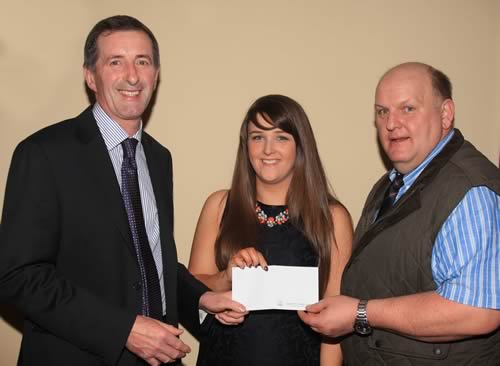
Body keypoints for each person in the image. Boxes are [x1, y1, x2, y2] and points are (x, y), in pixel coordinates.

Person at [0, 15, 246, 366]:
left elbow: (150, 259)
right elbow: (16, 276)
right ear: (90, 75)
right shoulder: (43, 153)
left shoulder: (160, 159)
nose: (132, 76)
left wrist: (202, 298)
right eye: (116, 62)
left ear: (156, 74)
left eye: (142, 62)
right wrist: (123, 330)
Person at [299, 62, 500, 364]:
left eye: (407, 109)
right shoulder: (391, 184)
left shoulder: (469, 191)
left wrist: (360, 312)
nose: (391, 123)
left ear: (445, 114)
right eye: (382, 112)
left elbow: (477, 311)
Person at [188, 94, 353, 366]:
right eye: (257, 137)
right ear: (246, 146)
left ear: (301, 146)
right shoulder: (219, 205)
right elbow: (192, 289)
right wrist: (225, 278)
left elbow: (334, 322)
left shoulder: (332, 218)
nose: (267, 149)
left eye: (281, 137)